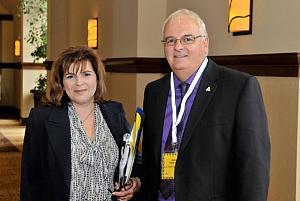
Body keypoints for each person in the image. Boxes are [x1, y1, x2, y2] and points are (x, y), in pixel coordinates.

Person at [142, 9, 270, 201]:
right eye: (170, 40)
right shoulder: (154, 92)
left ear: (205, 43)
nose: (178, 46)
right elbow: (151, 163)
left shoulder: (239, 88)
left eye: (187, 39)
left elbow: (254, 172)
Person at [20, 46, 141, 201]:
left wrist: (134, 184)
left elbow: (134, 161)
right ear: (61, 83)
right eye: (70, 76)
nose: (79, 82)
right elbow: (30, 181)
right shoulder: (41, 119)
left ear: (97, 78)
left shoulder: (114, 113)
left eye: (86, 74)